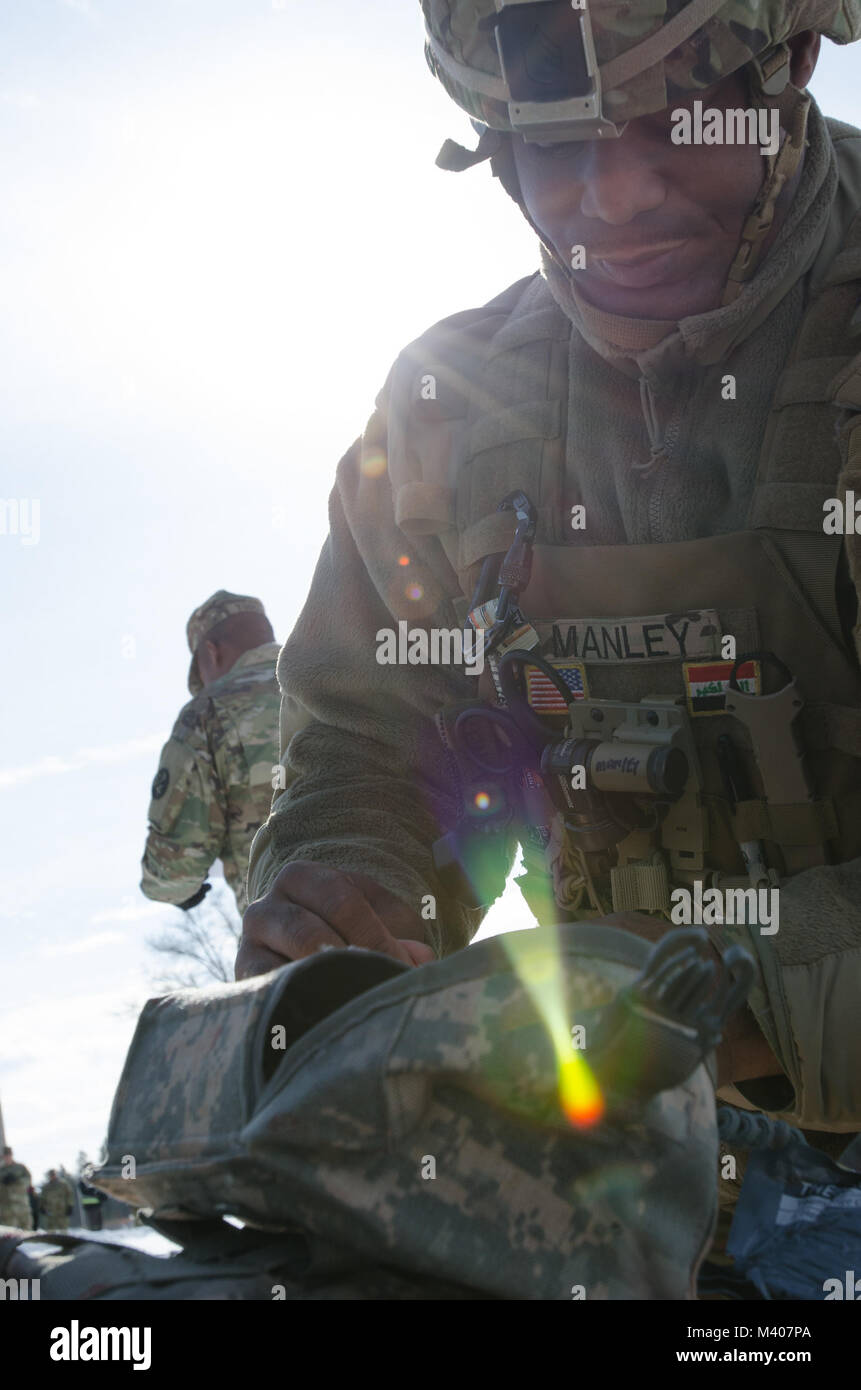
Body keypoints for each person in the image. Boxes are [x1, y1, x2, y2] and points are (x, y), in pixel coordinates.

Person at [241, 0, 861, 1175]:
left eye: (676, 113)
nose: (612, 195)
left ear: (790, 59)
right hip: (629, 1189)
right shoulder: (447, 411)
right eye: (553, 136)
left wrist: (715, 997)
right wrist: (349, 918)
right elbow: (366, 750)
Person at [141, 590, 282, 916]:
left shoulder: (207, 712)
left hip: (306, 945)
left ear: (211, 652)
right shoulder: (342, 676)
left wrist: (171, 890)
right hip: (416, 935)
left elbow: (174, 869)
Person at [0, 1146, 33, 1231]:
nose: (7, 1158)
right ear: (3, 1157)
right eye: (5, 1156)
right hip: (6, 1206)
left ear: (11, 1155)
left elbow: (28, 1180)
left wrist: (17, 1180)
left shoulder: (20, 1168)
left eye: (9, 1155)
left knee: (26, 1227)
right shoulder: (1, 1170)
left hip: (21, 1203)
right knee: (9, 1230)